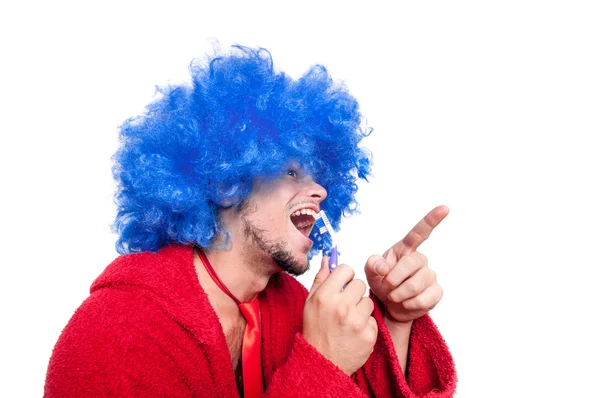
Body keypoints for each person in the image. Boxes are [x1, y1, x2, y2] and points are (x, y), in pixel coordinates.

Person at [45, 45, 457, 397]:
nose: (321, 192)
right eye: (291, 172)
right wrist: (321, 364)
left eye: (319, 177)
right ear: (228, 182)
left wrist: (397, 319)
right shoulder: (117, 336)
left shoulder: (293, 308)